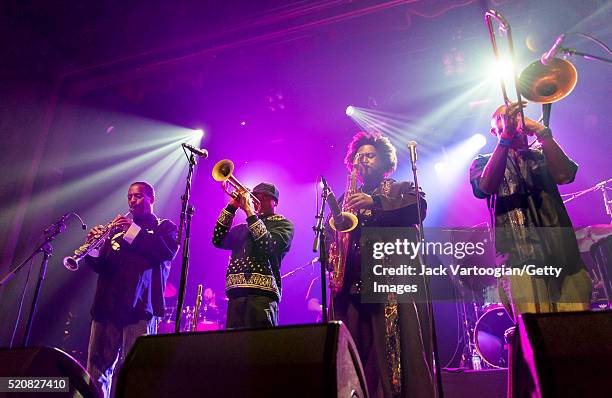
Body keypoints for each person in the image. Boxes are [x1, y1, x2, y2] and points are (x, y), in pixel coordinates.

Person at [326, 132, 435, 398]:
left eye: (369, 155)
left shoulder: (401, 187)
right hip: (352, 289)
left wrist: (375, 203)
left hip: (389, 287)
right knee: (353, 360)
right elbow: (332, 234)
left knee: (396, 357)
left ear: (385, 161)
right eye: (358, 156)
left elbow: (418, 208)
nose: (362, 160)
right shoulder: (345, 198)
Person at [469, 102, 592, 318]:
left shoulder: (541, 155)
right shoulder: (482, 163)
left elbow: (565, 175)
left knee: (579, 337)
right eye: (504, 117)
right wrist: (505, 139)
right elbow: (485, 187)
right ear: (492, 130)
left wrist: (543, 133)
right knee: (537, 339)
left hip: (567, 261)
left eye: (516, 116)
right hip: (520, 264)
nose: (512, 120)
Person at [84, 181, 179, 398]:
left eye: (137, 196)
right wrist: (95, 248)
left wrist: (132, 229)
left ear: (151, 199)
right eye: (129, 197)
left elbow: (164, 252)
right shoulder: (116, 231)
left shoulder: (164, 228)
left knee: (137, 371)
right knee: (96, 371)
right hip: (106, 307)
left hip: (139, 309)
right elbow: (103, 267)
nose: (132, 201)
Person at [212, 182, 294, 328]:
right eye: (255, 196)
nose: (259, 199)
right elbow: (217, 239)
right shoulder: (242, 229)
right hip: (236, 294)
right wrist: (232, 206)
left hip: (262, 297)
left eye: (264, 196)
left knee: (260, 347)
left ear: (275, 202)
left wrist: (250, 212)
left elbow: (267, 246)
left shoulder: (283, 224)